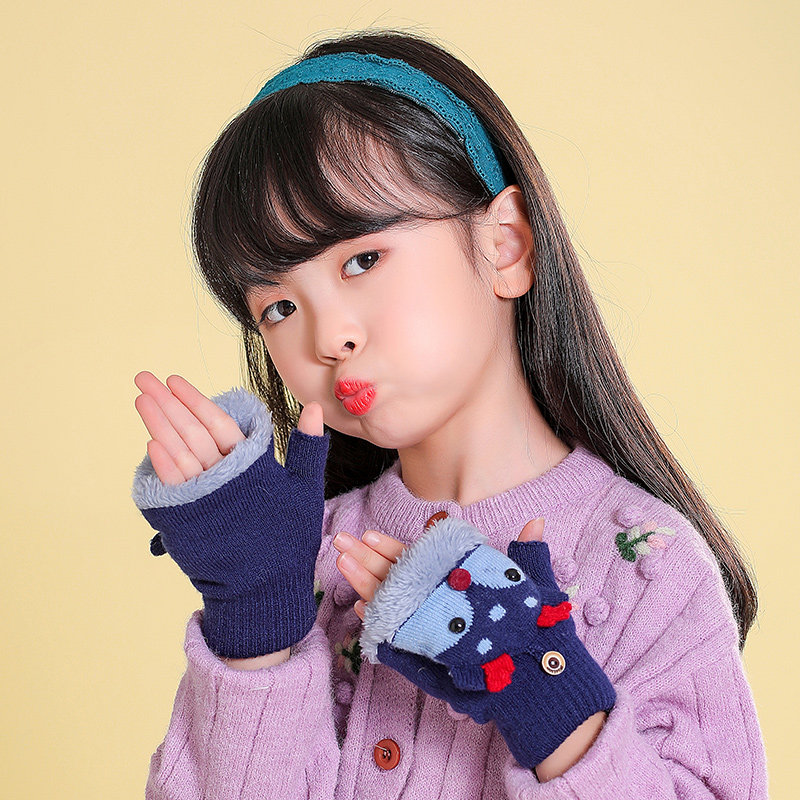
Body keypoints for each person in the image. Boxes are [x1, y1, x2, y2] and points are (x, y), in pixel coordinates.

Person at [130, 29, 768, 799]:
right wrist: (256, 623)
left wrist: (548, 690)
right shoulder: (308, 557)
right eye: (279, 307)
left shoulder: (646, 565)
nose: (328, 337)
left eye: (362, 259)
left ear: (505, 246)